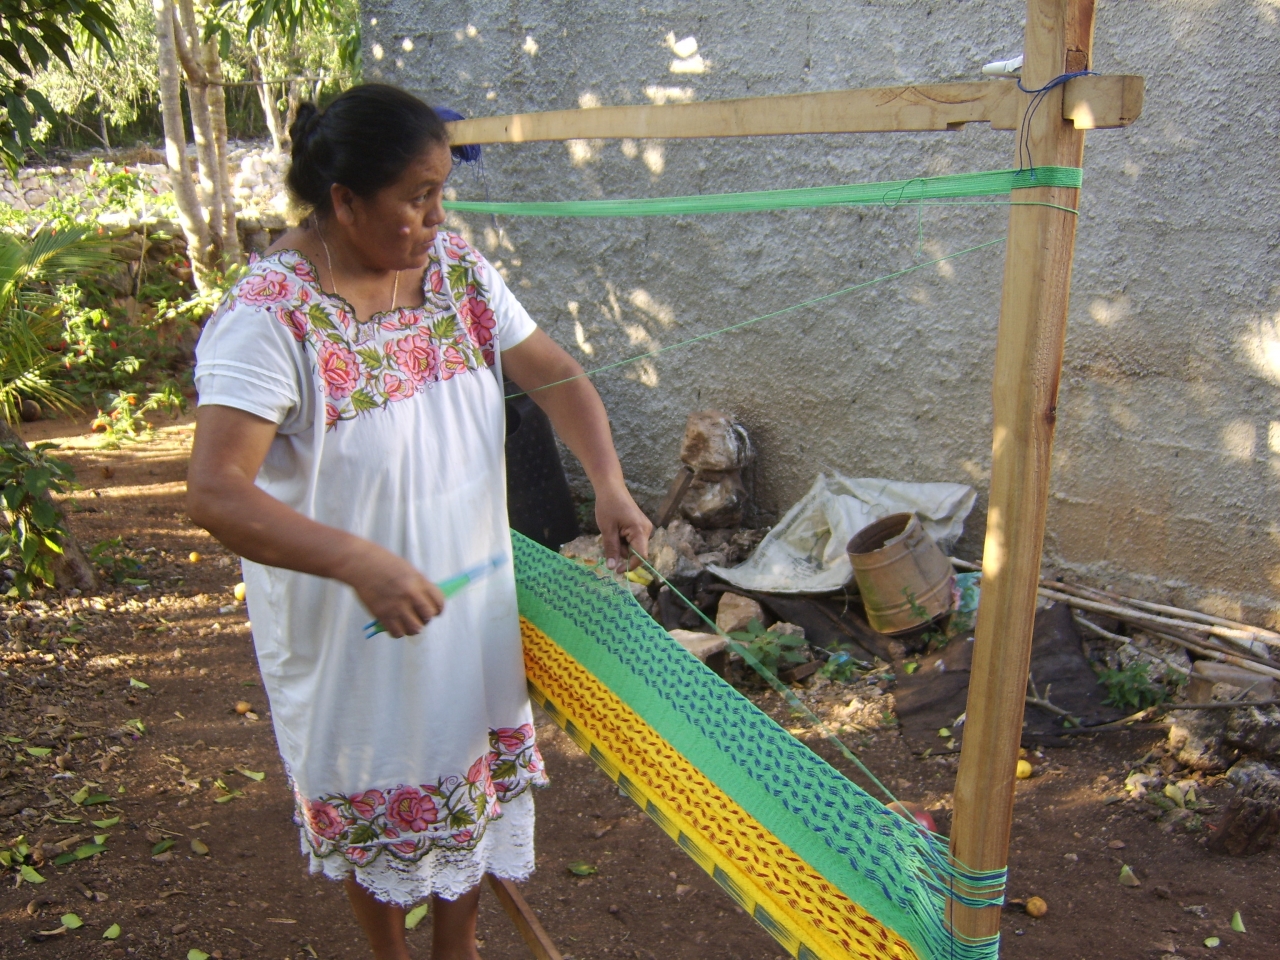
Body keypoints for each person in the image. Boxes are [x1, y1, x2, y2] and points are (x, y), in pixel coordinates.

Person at [185, 83, 652, 960]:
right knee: (373, 783)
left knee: (466, 765)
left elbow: (552, 374)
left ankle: (455, 945)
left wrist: (611, 485)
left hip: (463, 600)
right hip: (353, 622)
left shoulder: (459, 275)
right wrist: (360, 563)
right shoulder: (269, 317)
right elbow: (215, 492)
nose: (438, 215)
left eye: (442, 190)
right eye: (416, 197)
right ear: (344, 200)